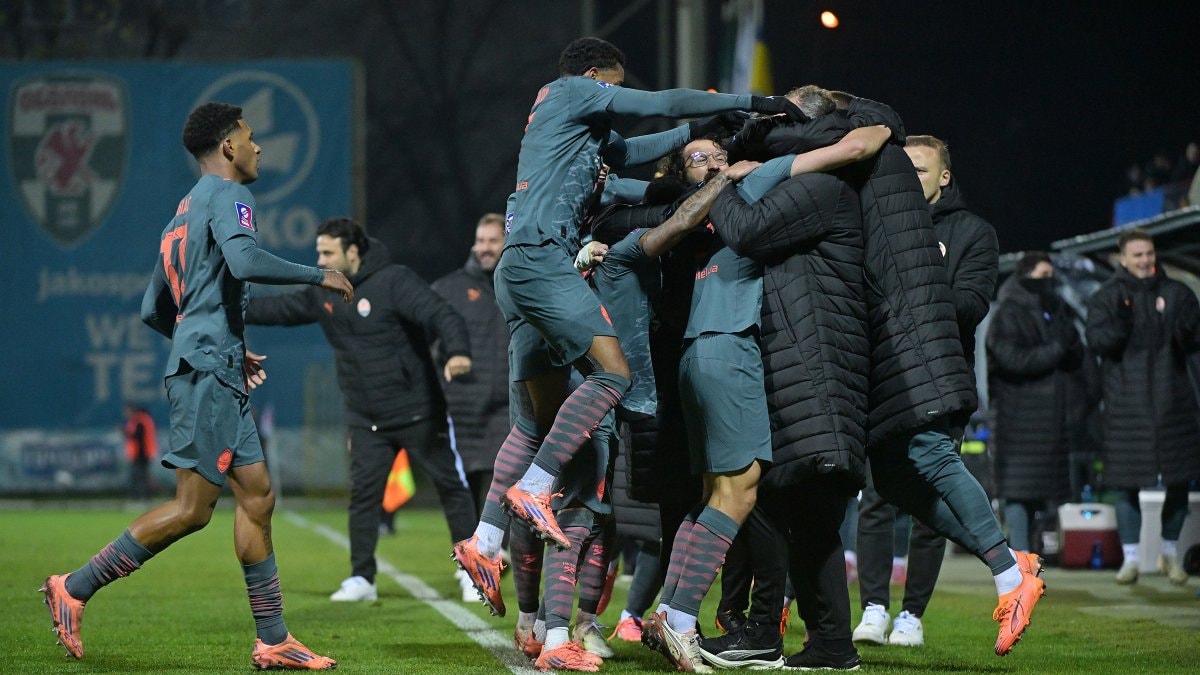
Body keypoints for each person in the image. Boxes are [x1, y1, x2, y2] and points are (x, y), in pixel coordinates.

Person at [452, 35, 806, 621]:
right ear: (596, 77)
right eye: (613, 87)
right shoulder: (571, 93)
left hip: (521, 269)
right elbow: (661, 103)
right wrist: (748, 100)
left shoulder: (576, 136)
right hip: (544, 261)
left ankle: (487, 542)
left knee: (534, 423)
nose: (615, 97)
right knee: (612, 380)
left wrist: (704, 127)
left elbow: (637, 148)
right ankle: (535, 496)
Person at [40, 101, 350, 670]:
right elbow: (245, 260)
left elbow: (150, 308)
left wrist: (214, 341)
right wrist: (318, 275)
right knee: (192, 509)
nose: (258, 147)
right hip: (208, 372)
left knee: (257, 496)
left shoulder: (179, 214)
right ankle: (74, 587)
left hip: (214, 366)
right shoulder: (229, 194)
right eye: (250, 137)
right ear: (229, 146)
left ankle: (273, 639)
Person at [245, 216, 477, 603]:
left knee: (450, 487)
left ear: (352, 251)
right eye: (319, 252)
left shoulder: (394, 281)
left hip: (418, 410)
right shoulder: (323, 293)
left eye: (327, 253)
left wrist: (458, 352)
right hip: (366, 418)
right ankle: (361, 578)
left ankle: (472, 571)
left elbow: (442, 314)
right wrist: (225, 306)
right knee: (364, 497)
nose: (320, 261)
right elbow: (278, 310)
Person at [852, 133, 1000, 648]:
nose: (910, 177)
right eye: (904, 168)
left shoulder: (973, 232)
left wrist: (919, 274)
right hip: (884, 376)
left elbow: (972, 305)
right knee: (875, 496)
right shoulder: (877, 225)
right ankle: (873, 607)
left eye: (920, 169)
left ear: (944, 177)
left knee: (931, 498)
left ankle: (912, 615)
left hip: (941, 380)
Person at [1085, 228, 1200, 585]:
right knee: (1126, 483)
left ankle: (1170, 553)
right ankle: (1131, 559)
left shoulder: (1178, 292)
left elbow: (1193, 340)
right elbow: (1098, 342)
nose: (1145, 260)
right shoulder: (1107, 297)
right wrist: (1122, 322)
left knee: (1179, 480)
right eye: (1137, 255)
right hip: (1126, 406)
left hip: (1174, 403)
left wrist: (1185, 329)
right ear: (1123, 259)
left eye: (1149, 253)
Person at [986, 252, 1090, 553]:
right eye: (1043, 276)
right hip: (1018, 418)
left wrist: (1069, 346)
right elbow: (1011, 359)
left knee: (1043, 493)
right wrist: (1056, 349)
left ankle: (1034, 554)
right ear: (1025, 276)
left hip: (1052, 417)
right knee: (1018, 491)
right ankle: (1019, 557)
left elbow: (1076, 354)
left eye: (1051, 277)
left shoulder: (1057, 309)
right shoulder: (1008, 313)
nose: (1049, 283)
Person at [431, 213, 511, 516]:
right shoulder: (448, 289)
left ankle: (493, 544)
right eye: (480, 241)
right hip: (461, 409)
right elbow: (428, 343)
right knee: (463, 494)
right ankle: (468, 544)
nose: (485, 247)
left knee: (499, 487)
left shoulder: (521, 285)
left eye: (493, 240)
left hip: (505, 407)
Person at [123, 403, 158, 501]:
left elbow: (138, 436)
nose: (125, 413)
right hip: (143, 453)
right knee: (142, 476)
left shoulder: (138, 420)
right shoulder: (142, 419)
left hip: (140, 454)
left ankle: (139, 497)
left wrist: (125, 432)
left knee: (138, 476)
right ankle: (144, 497)